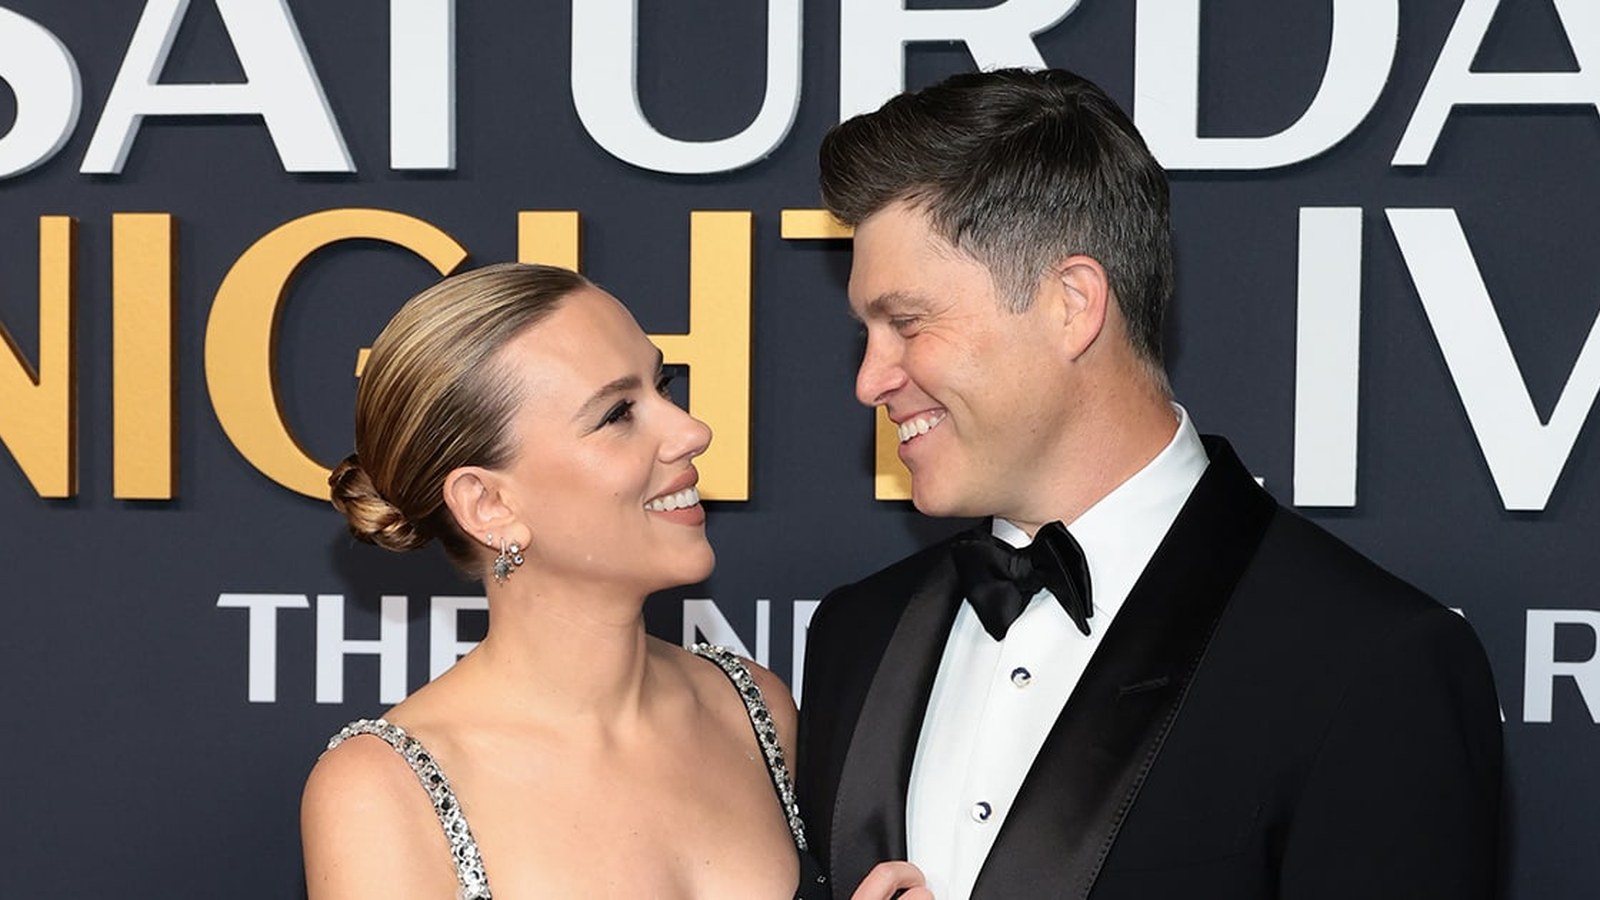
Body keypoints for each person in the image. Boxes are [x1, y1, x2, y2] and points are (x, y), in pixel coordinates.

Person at [796, 68, 1503, 899]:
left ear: (1072, 304)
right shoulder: (857, 634)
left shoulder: (1371, 664)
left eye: (908, 323)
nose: (870, 380)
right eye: (867, 333)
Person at [301, 262, 835, 898]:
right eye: (617, 414)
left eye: (662, 385)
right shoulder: (382, 791)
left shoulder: (751, 708)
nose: (693, 431)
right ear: (489, 505)